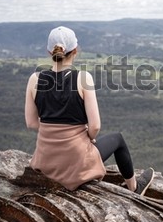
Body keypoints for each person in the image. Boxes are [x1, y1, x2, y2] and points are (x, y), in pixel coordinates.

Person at [24, 25, 154, 195]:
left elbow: (31, 123)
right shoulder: (83, 78)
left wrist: (54, 132)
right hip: (76, 161)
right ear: (75, 50)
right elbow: (95, 127)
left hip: (46, 160)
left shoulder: (35, 79)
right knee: (118, 139)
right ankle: (134, 188)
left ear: (50, 52)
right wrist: (89, 139)